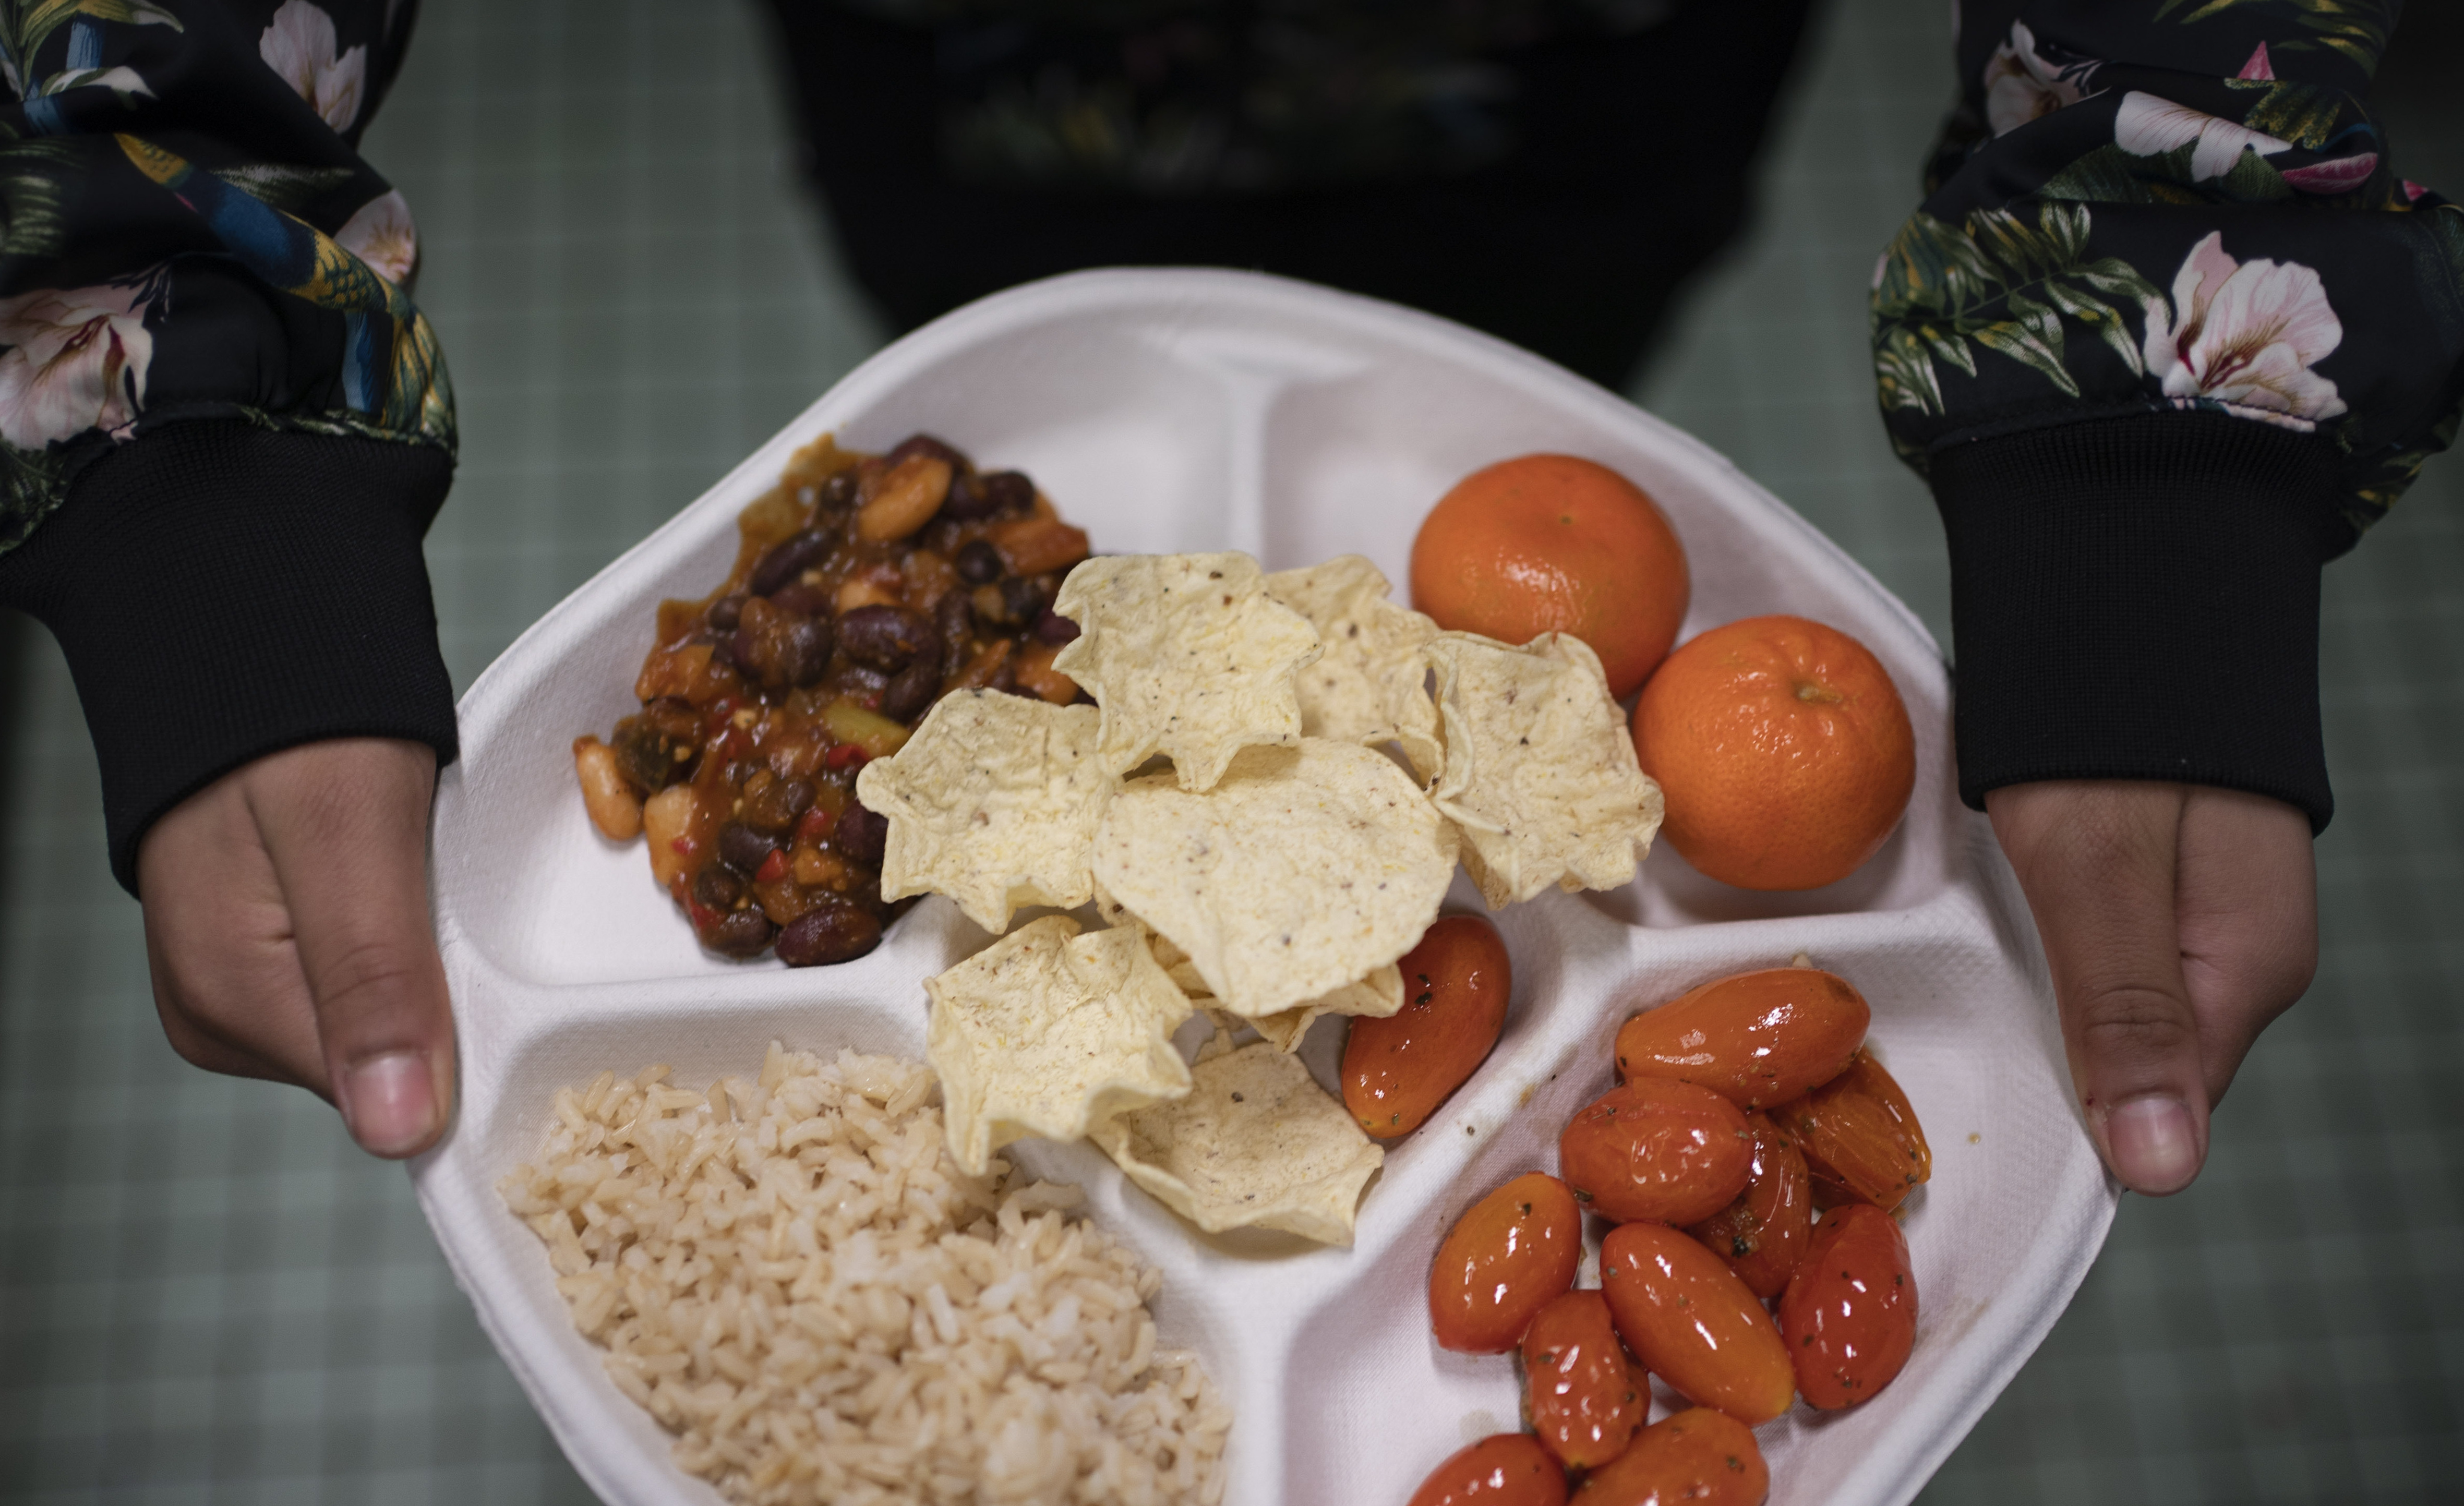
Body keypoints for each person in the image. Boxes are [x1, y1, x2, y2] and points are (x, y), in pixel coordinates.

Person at [2, 0, 2454, 1198]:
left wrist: (2157, 390)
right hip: (984, 86)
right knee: (971, 261)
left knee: (1546, 331)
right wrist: (175, 399)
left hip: (1578, 95)